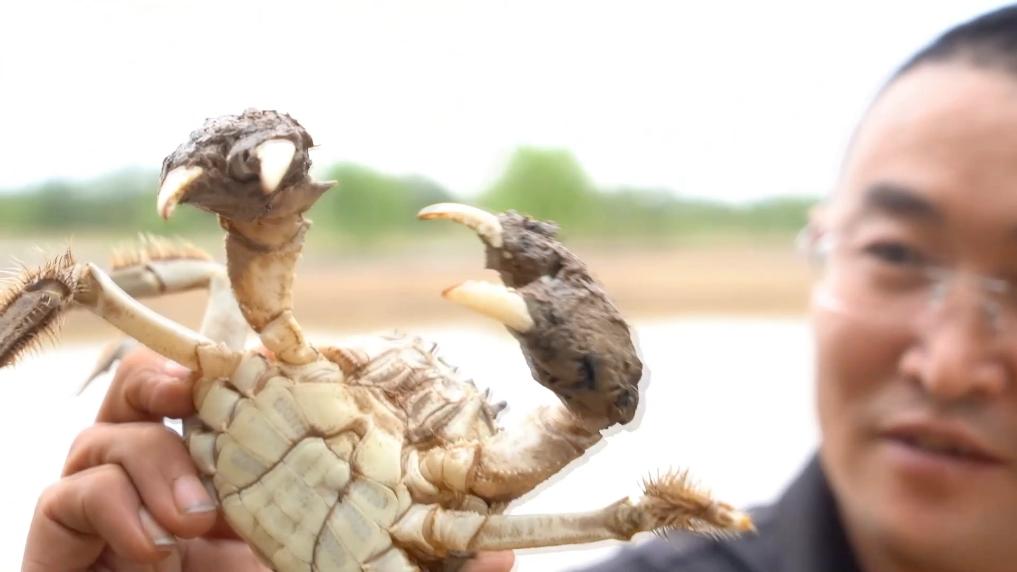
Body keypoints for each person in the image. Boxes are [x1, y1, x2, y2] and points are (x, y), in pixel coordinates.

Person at [22, 5, 1017, 571]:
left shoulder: (471, 501)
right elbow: (112, 286)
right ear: (824, 247)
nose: (950, 361)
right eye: (898, 253)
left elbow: (617, 488)